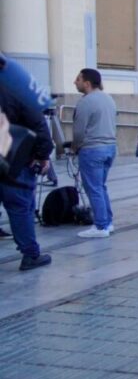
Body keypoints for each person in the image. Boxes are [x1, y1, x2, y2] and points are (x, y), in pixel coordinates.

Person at [0, 82, 54, 271]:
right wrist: (42, 156)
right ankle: (30, 254)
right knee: (20, 208)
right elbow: (39, 126)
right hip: (16, 160)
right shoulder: (16, 89)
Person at [72, 68, 118, 238]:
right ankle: (107, 221)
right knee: (101, 186)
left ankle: (100, 226)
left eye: (78, 79)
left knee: (93, 188)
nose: (75, 82)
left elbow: (78, 130)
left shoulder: (86, 101)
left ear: (87, 83)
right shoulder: (109, 99)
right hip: (110, 147)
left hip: (92, 149)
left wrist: (74, 147)